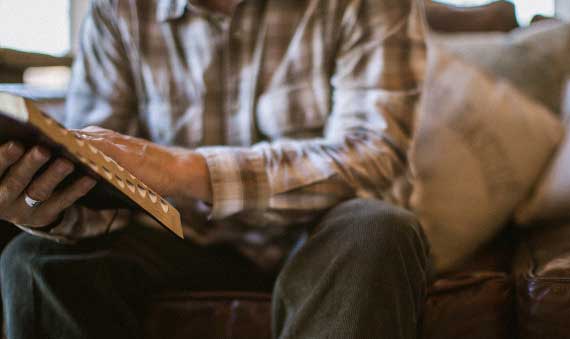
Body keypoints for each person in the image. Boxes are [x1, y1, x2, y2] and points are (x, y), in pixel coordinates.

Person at [0, 0, 431, 338]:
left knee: (377, 228)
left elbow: (375, 153)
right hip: (183, 239)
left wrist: (184, 169)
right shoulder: (117, 9)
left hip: (323, 237)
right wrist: (51, 207)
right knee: (36, 259)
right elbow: (105, 180)